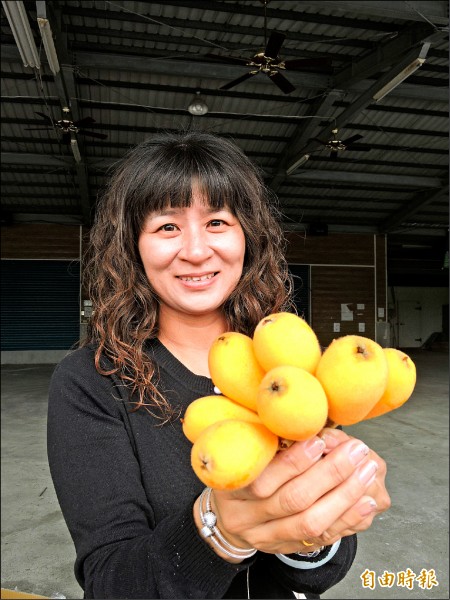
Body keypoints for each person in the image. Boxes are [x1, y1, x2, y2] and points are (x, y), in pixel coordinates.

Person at [47, 130, 391, 600]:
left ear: (246, 236)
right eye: (167, 226)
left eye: (217, 223)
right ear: (134, 246)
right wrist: (219, 532)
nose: (195, 250)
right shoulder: (90, 380)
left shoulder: (287, 364)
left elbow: (315, 576)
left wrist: (321, 523)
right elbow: (111, 583)